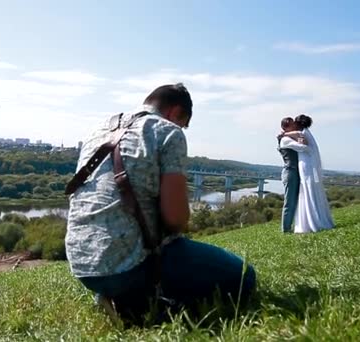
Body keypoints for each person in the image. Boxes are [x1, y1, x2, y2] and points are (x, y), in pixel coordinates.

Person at [65, 83, 256, 323]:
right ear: (175, 113)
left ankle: (117, 296)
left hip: (83, 265)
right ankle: (139, 307)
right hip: (130, 265)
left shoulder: (98, 129)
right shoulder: (168, 132)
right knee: (244, 276)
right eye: (183, 123)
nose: (182, 128)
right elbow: (175, 220)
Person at [283, 114, 334, 233]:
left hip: (306, 165)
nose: (294, 125)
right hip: (306, 164)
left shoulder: (303, 134)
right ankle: (314, 219)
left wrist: (285, 134)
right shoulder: (305, 133)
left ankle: (311, 221)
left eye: (295, 122)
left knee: (307, 191)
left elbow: (303, 146)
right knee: (307, 191)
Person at [276, 117, 309, 233]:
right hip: (290, 172)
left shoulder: (288, 137)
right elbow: (303, 146)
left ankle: (293, 225)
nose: (295, 126)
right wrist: (293, 134)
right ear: (285, 127)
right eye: (291, 125)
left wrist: (292, 134)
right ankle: (285, 229)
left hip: (295, 172)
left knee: (296, 201)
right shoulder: (285, 140)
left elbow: (301, 142)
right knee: (289, 202)